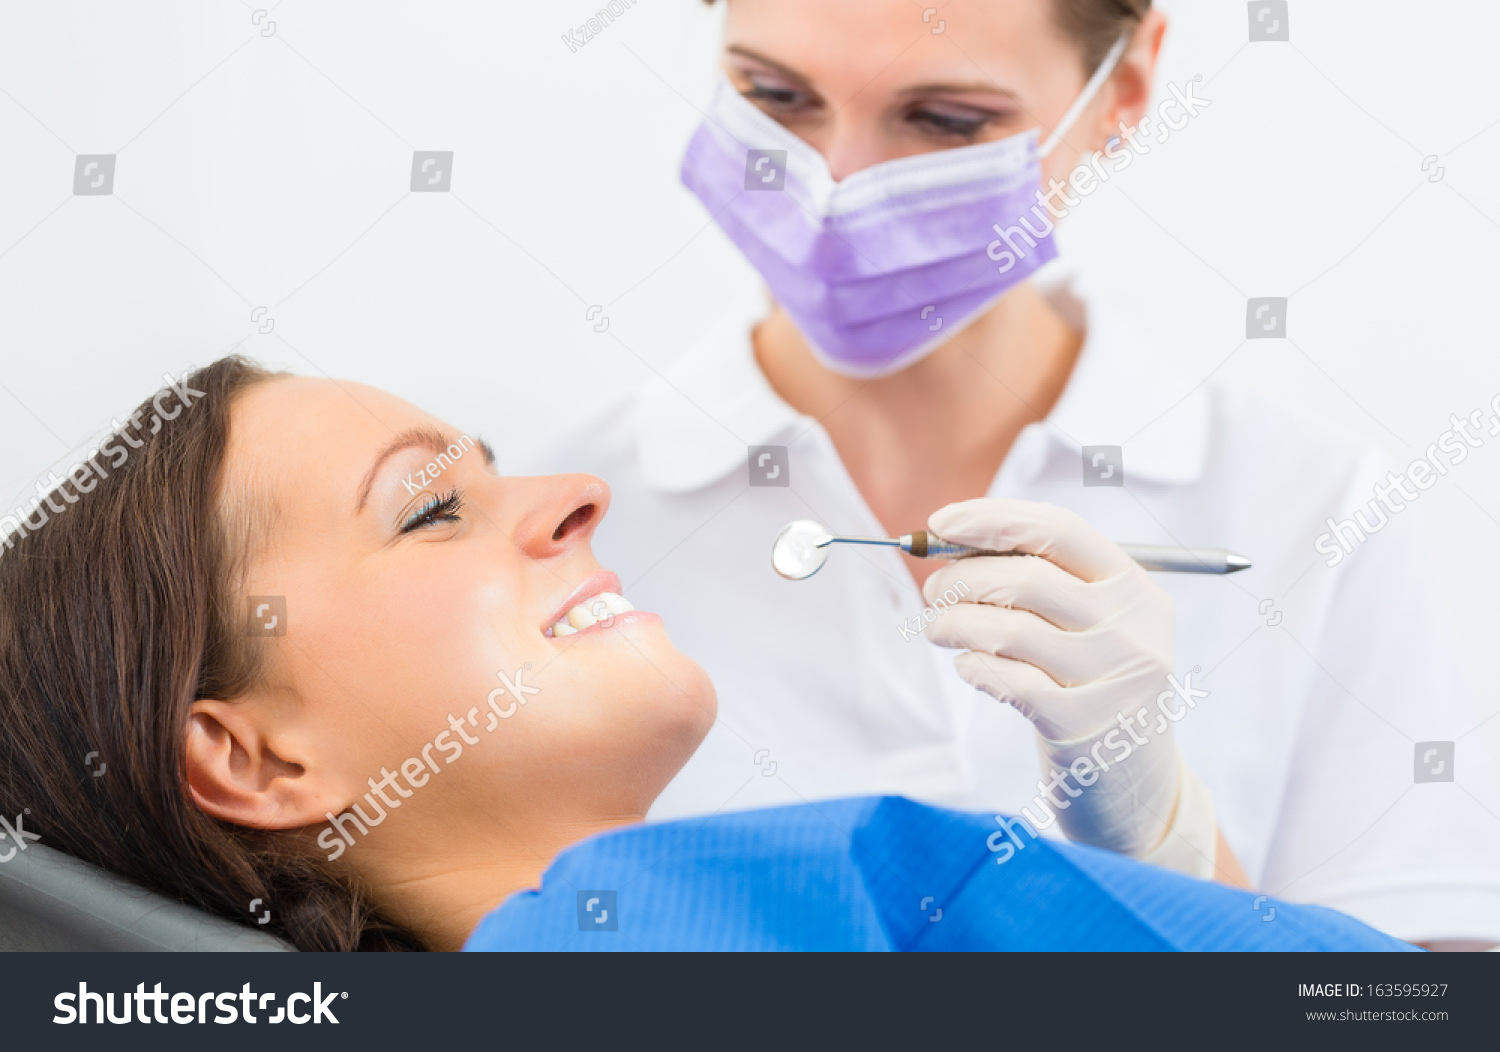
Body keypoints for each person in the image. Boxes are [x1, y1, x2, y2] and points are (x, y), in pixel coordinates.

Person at [508, 0, 1500, 946]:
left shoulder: (1313, 508)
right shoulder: (560, 524)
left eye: (945, 120)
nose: (836, 187)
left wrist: (1170, 845)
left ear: (1125, 87)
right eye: (775, 96)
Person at [0, 360, 1405, 951]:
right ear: (251, 753)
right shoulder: (756, 906)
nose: (573, 497)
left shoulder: (730, 914)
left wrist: (1155, 825)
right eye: (433, 507)